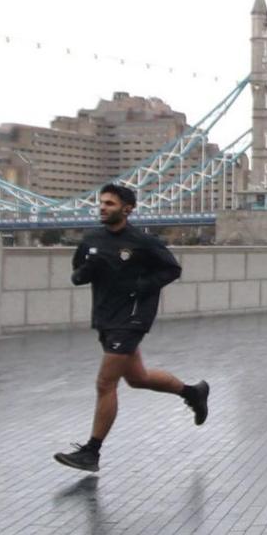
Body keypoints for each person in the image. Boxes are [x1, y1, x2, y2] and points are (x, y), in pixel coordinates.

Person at [55, 183, 210, 472]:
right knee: (137, 378)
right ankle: (193, 393)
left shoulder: (142, 242)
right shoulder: (92, 240)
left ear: (127, 209)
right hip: (105, 317)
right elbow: (77, 275)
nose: (103, 207)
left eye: (110, 204)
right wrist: (87, 271)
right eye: (101, 203)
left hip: (132, 318)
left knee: (105, 383)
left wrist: (140, 287)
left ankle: (92, 452)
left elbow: (172, 269)